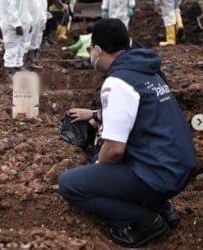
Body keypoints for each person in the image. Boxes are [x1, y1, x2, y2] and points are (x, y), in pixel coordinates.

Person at [59, 18, 196, 248]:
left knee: (71, 184)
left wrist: (96, 170)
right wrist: (96, 115)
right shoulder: (144, 69)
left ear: (97, 50)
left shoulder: (117, 82)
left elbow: (114, 151)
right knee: (102, 156)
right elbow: (142, 111)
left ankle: (145, 222)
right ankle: (160, 205)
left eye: (91, 51)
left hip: (160, 173)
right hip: (176, 164)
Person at [0, 0, 32, 78]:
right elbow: (11, 8)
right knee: (12, 46)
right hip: (11, 24)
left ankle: (18, 65)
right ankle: (10, 68)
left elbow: (25, 8)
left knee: (21, 45)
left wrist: (29, 22)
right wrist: (16, 24)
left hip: (23, 22)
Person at [25, 0, 48, 69]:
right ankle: (22, 62)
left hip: (38, 22)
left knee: (35, 41)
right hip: (30, 21)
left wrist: (44, 19)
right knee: (26, 42)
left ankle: (31, 60)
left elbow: (42, 9)